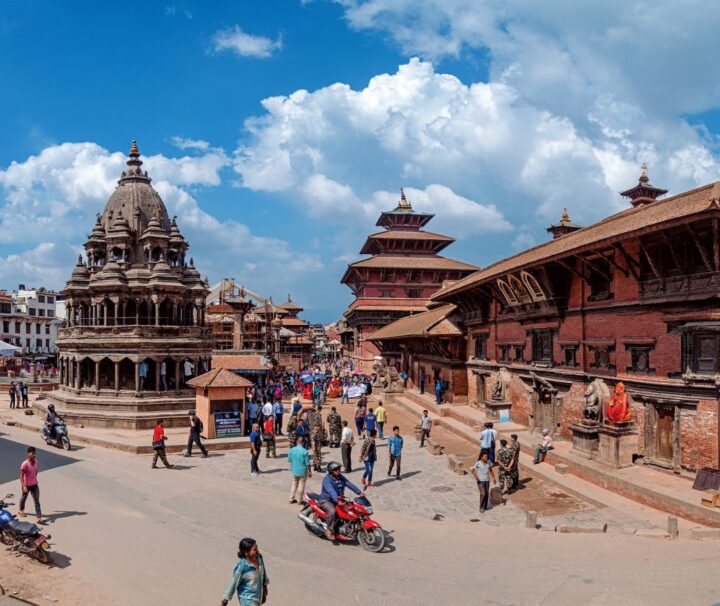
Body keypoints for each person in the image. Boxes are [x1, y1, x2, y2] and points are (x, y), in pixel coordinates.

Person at [318, 462, 363, 540]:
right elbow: (331, 491)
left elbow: (349, 484)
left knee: (350, 509)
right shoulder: (327, 480)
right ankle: (329, 530)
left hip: (338, 499)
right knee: (332, 511)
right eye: (336, 469)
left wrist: (359, 492)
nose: (338, 471)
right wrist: (337, 500)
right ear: (331, 470)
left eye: (339, 469)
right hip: (326, 500)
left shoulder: (340, 477)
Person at [220, 537, 269, 606]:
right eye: (254, 550)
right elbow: (233, 583)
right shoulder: (242, 567)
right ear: (246, 552)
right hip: (247, 600)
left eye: (257, 548)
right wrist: (225, 600)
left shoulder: (259, 558)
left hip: (258, 598)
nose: (258, 551)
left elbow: (264, 574)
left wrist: (265, 587)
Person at [19, 446, 44, 524]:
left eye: (35, 453)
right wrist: (23, 486)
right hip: (26, 485)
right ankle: (21, 510)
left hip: (34, 485)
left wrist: (34, 480)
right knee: (24, 498)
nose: (34, 455)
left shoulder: (37, 462)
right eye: (33, 453)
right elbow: (21, 475)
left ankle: (39, 517)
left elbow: (36, 472)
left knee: (37, 501)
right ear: (28, 454)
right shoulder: (25, 464)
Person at [288, 436, 312, 503]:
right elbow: (307, 463)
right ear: (303, 443)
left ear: (297, 442)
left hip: (294, 470)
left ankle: (291, 498)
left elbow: (289, 460)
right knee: (301, 485)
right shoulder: (305, 451)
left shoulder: (291, 450)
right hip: (303, 471)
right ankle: (300, 500)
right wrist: (310, 472)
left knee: (294, 484)